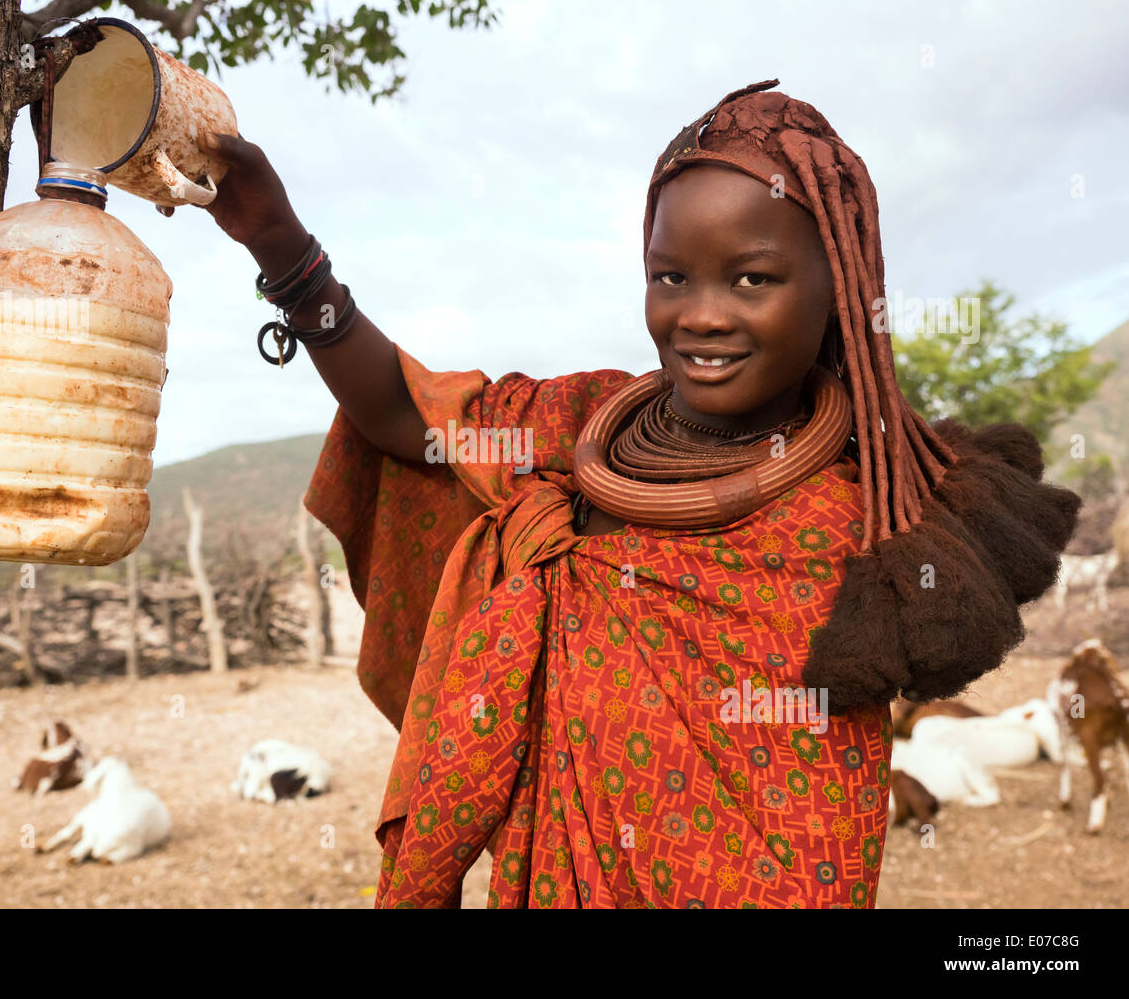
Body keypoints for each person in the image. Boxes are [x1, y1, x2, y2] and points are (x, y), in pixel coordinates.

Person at [192, 79, 1080, 908]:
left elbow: (816, 839)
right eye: (670, 276)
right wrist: (282, 244)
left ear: (839, 291)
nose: (700, 314)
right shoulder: (577, 427)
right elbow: (401, 413)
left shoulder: (867, 525)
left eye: (753, 278)